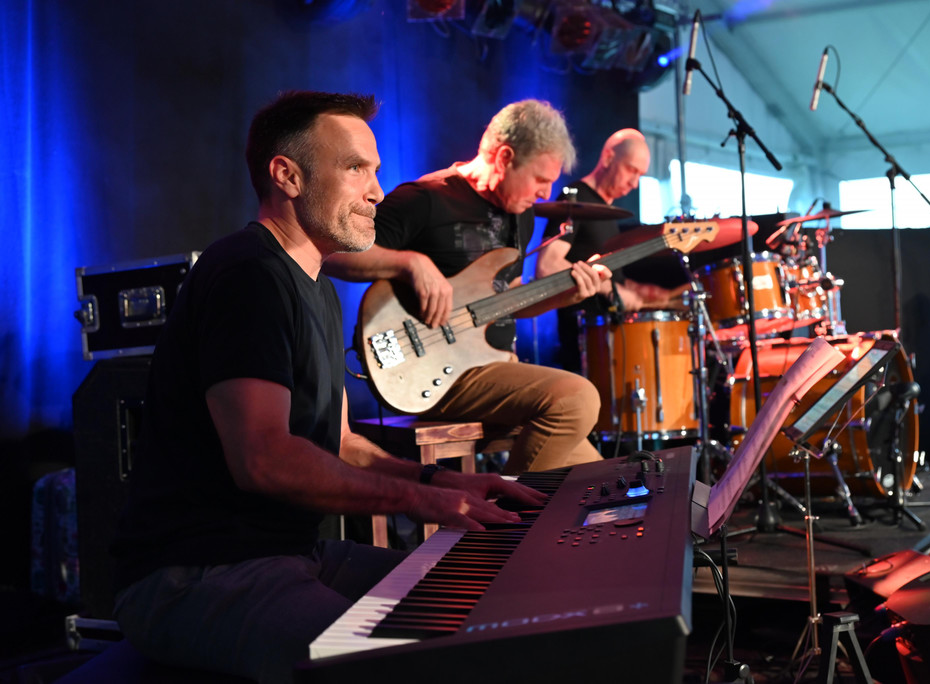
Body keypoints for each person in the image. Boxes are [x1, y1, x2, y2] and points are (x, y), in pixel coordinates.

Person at [109, 91, 546, 683]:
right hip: (196, 571)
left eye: (376, 171)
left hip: (290, 553)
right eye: (356, 168)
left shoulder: (315, 284)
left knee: (484, 601)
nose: (377, 192)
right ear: (287, 176)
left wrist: (443, 482)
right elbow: (263, 459)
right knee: (400, 667)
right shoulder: (247, 274)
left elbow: (339, 442)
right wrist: (422, 503)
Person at [324, 99, 610, 475]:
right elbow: (334, 254)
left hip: (495, 365)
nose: (545, 193)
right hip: (437, 369)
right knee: (578, 397)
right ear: (505, 157)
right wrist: (410, 263)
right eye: (541, 179)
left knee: (602, 481)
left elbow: (508, 299)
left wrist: (565, 294)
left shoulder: (520, 213)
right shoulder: (425, 198)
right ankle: (504, 509)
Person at [535, 128, 672, 373]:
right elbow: (547, 266)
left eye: (640, 175)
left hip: (610, 335)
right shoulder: (575, 199)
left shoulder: (607, 213)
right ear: (608, 158)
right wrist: (612, 290)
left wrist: (641, 292)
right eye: (631, 170)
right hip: (585, 340)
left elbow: (608, 274)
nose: (634, 183)